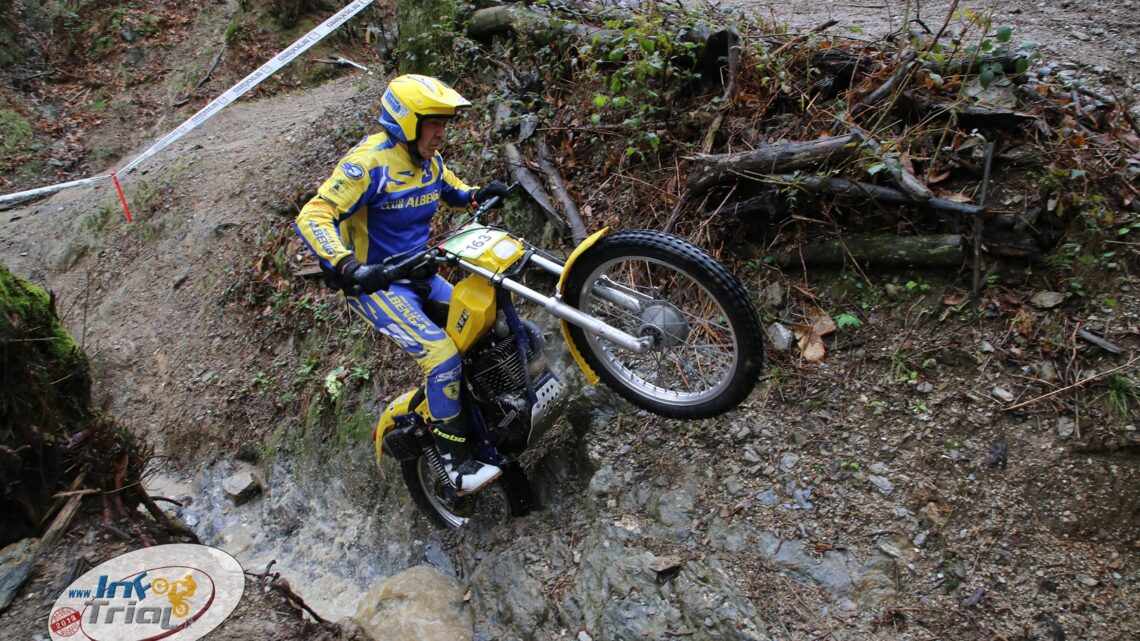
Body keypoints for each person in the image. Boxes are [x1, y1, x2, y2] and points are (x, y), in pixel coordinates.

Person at [294, 74, 509, 494]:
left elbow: (450, 189)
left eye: (444, 124)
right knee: (442, 356)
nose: (441, 132)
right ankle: (455, 461)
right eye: (433, 123)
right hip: (379, 286)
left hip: (422, 273)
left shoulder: (429, 159)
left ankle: (487, 415)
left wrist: (476, 195)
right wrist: (347, 266)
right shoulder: (369, 164)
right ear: (407, 122)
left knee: (487, 325)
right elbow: (313, 215)